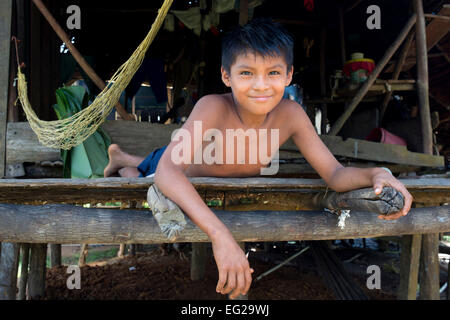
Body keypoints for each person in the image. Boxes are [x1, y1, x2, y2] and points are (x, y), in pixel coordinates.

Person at [104, 18, 413, 299]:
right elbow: (169, 172)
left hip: (187, 161)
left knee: (152, 164)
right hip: (174, 166)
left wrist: (377, 173)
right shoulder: (213, 106)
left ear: (289, 74)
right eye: (247, 73)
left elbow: (334, 174)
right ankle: (121, 160)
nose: (261, 85)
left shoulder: (290, 114)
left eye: (273, 72)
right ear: (226, 75)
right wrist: (220, 235)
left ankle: (123, 156)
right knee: (140, 179)